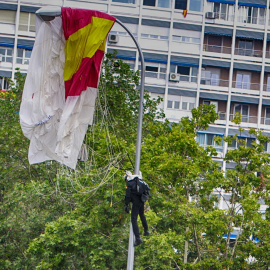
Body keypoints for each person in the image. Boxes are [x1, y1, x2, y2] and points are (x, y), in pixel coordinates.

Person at [124, 171, 150, 246]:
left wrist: (126, 204)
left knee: (133, 219)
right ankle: (146, 230)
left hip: (136, 202)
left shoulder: (130, 183)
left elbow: (128, 196)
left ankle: (138, 238)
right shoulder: (138, 181)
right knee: (141, 214)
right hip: (142, 200)